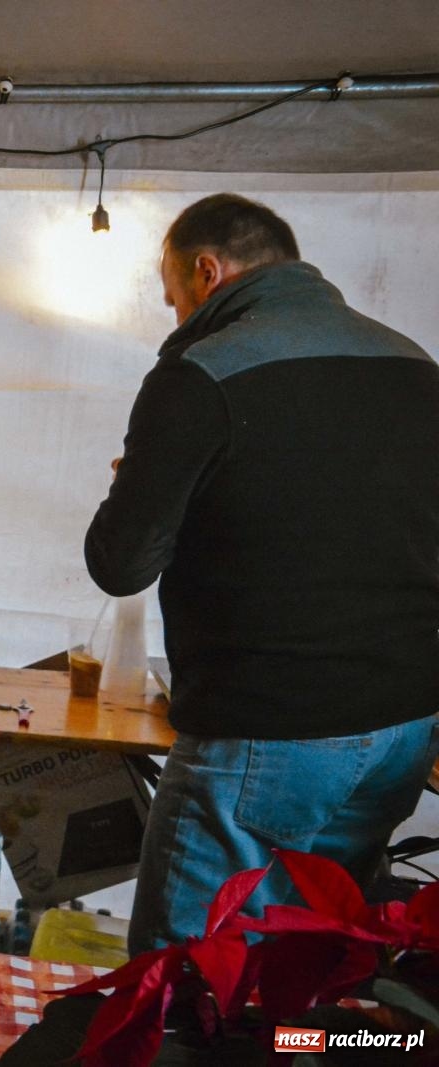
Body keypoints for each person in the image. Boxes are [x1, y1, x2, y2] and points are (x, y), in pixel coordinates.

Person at [84, 193, 439, 954]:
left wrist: (150, 491)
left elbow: (120, 563)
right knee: (311, 963)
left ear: (208, 271)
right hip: (403, 725)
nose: (175, 317)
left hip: (267, 730)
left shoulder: (203, 369)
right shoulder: (415, 363)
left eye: (175, 296)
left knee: (183, 983)